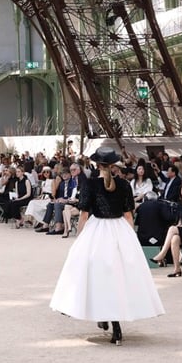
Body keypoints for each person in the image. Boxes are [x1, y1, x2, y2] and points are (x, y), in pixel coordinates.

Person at [49, 148, 165, 345]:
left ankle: (102, 316)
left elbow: (84, 214)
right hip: (119, 229)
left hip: (97, 230)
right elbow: (129, 215)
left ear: (97, 165)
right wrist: (130, 238)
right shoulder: (123, 184)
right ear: (114, 165)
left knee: (94, 274)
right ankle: (115, 327)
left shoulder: (91, 184)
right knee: (118, 278)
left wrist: (79, 236)